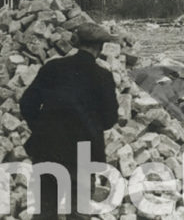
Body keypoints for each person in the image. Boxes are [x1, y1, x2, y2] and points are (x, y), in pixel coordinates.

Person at [20, 23, 120, 219]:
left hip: (48, 147)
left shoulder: (52, 68)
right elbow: (110, 119)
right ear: (99, 47)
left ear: (77, 44)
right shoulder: (103, 76)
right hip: (83, 152)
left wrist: (42, 129)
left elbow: (27, 104)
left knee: (45, 211)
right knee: (78, 213)